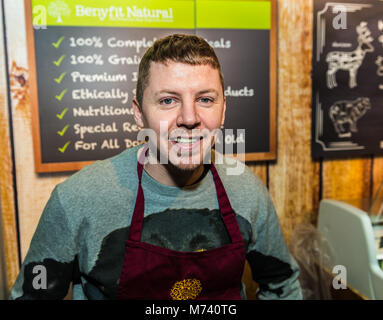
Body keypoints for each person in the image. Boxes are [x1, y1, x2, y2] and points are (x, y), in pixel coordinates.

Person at [9, 34, 302, 300]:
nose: (189, 117)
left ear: (223, 109)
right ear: (138, 113)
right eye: (167, 100)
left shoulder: (246, 190)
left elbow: (282, 284)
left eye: (205, 99)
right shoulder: (78, 199)